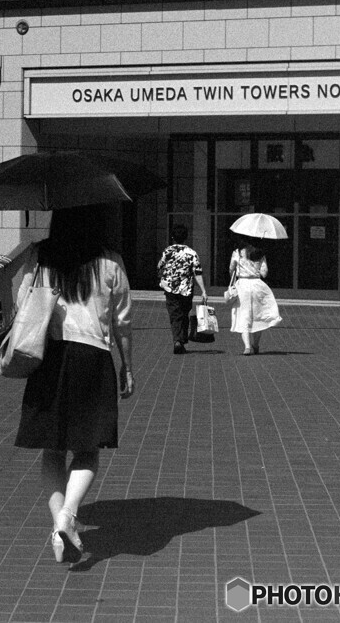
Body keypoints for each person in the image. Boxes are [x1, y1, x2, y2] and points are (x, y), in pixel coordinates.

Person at [13, 206, 134, 565]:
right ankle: (68, 515)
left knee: (52, 448)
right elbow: (123, 320)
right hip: (93, 358)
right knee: (88, 446)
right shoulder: (110, 262)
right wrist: (127, 366)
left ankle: (58, 524)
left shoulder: (42, 256)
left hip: (49, 358)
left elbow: (24, 303)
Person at [156, 224, 207, 354]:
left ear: (172, 237)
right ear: (186, 237)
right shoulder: (192, 253)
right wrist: (203, 290)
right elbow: (198, 272)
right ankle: (181, 339)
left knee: (174, 315)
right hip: (186, 289)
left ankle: (177, 340)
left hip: (170, 288)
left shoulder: (167, 251)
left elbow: (159, 265)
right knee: (184, 313)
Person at [228, 235, 282, 355]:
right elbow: (264, 273)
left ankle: (247, 347)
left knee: (244, 315)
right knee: (258, 315)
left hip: (242, 284)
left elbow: (231, 269)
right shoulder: (260, 254)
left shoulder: (237, 252)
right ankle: (255, 344)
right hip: (257, 285)